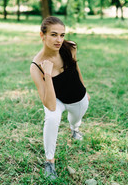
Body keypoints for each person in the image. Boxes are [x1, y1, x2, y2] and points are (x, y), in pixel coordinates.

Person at [30, 16, 90, 180]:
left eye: (62, 35)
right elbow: (49, 104)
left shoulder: (70, 48)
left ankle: (75, 129)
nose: (59, 40)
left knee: (76, 120)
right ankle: (50, 161)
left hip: (78, 97)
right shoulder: (36, 66)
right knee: (51, 118)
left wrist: (84, 89)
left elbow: (76, 68)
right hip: (55, 99)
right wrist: (47, 74)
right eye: (54, 35)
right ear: (42, 36)